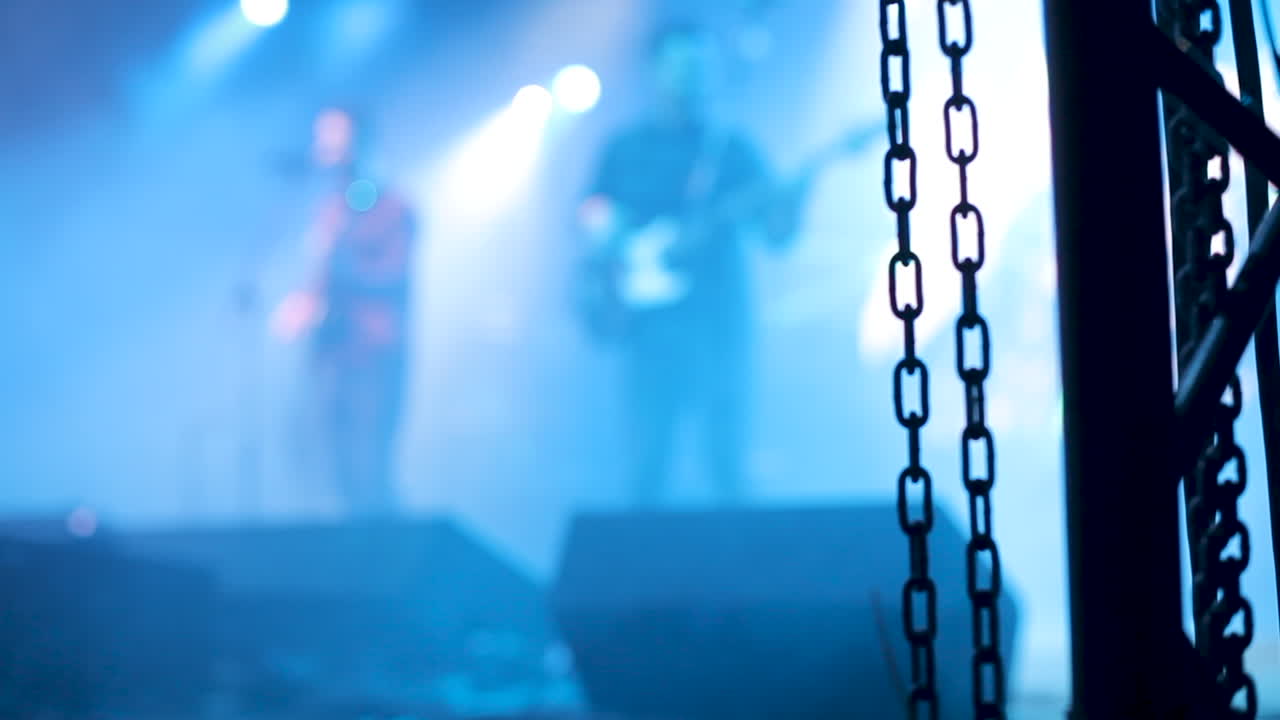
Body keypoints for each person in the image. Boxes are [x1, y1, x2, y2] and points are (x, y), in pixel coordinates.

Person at [576, 22, 808, 506]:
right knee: (647, 463)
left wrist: (796, 196)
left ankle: (737, 574)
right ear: (654, 71)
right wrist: (613, 231)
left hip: (720, 323)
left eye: (700, 68)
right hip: (651, 326)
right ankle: (642, 575)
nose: (690, 79)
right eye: (680, 67)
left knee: (725, 464)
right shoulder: (625, 148)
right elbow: (591, 211)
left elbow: (776, 233)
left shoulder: (733, 149)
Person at [273, 107, 418, 516]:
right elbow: (320, 277)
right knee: (332, 465)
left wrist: (327, 301)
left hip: (373, 351)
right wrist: (305, 303)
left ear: (359, 143)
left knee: (368, 465)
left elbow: (391, 274)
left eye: (334, 136)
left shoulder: (392, 207)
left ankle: (386, 557)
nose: (323, 146)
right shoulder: (332, 210)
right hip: (332, 351)